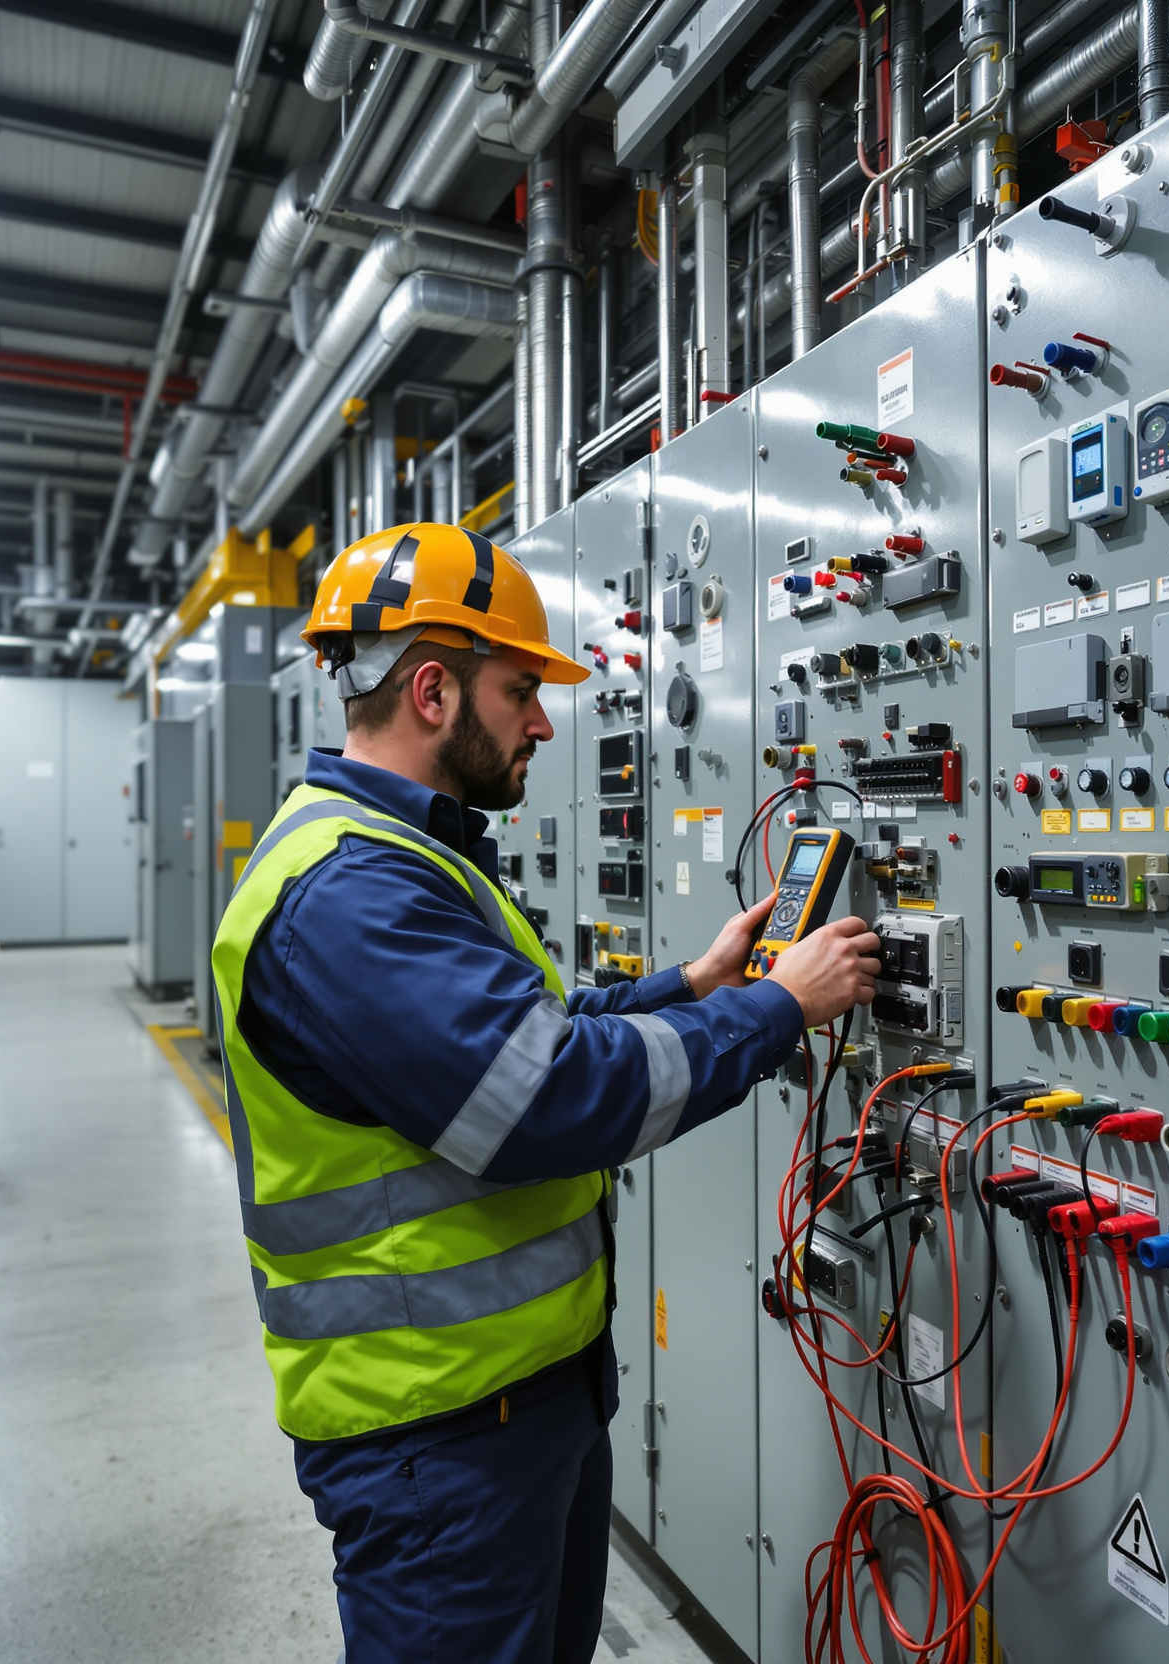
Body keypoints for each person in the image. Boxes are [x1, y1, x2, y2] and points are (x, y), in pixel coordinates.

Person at [211, 522, 880, 1664]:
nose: (541, 719)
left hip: (520, 1403)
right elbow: (540, 1102)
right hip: (438, 1438)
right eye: (520, 689)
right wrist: (777, 1009)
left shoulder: (408, 854)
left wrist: (692, 983)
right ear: (433, 689)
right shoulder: (348, 893)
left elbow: (526, 1038)